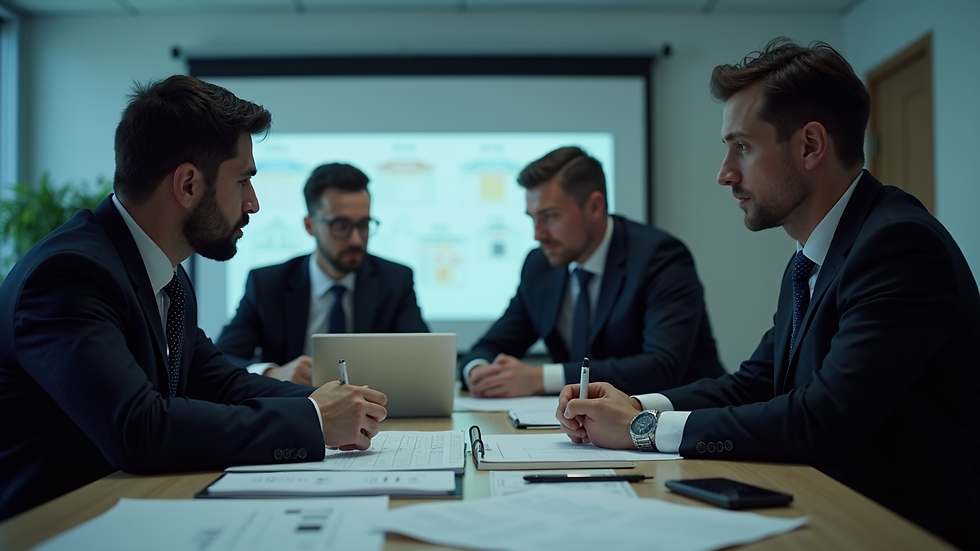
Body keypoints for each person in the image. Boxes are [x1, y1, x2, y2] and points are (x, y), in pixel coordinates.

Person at [556, 38, 979, 550]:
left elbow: (825, 419)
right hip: (827, 508)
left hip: (901, 531)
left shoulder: (898, 246)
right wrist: (632, 403)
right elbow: (755, 384)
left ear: (809, 146)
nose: (724, 173)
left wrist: (643, 429)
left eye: (743, 147)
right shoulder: (812, 256)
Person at [0, 75, 387, 521]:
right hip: (50, 527)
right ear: (187, 184)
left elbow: (220, 383)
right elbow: (138, 429)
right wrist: (315, 421)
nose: (254, 203)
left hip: (126, 509)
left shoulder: (166, 276)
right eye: (243, 181)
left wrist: (323, 401)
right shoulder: (69, 275)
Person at [459, 146, 724, 398]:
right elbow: (489, 347)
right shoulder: (540, 266)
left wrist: (541, 378)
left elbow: (662, 367)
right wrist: (479, 371)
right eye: (532, 218)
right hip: (591, 431)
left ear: (594, 207)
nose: (538, 234)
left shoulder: (660, 257)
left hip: (683, 424)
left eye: (550, 216)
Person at [215, 163, 428, 385]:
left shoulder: (394, 280)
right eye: (341, 225)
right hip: (296, 411)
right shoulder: (268, 284)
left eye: (363, 224)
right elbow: (222, 359)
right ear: (310, 226)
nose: (356, 239)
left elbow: (426, 359)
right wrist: (272, 374)